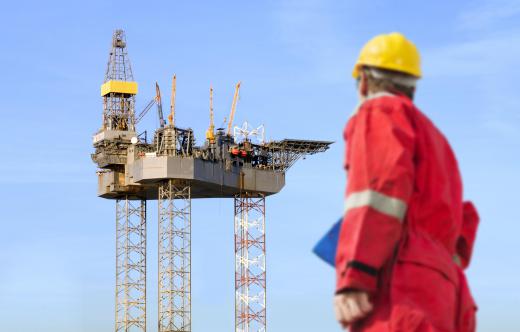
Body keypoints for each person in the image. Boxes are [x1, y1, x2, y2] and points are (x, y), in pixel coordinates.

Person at [333, 32, 479, 332]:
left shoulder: (379, 112)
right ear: (412, 86)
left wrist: (355, 274)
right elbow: (464, 220)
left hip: (400, 287)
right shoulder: (438, 140)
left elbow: (376, 194)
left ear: (363, 81)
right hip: (446, 295)